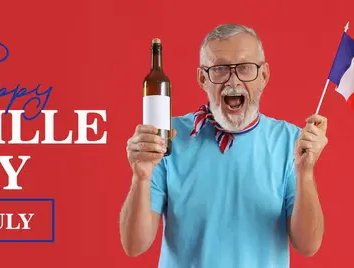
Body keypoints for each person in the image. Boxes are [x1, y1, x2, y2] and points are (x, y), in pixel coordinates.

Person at [119, 23, 327, 268]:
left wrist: (306, 172)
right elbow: (134, 246)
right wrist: (141, 177)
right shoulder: (166, 138)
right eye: (220, 69)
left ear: (264, 76)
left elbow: (308, 245)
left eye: (245, 68)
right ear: (202, 78)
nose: (233, 81)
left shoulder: (290, 141)